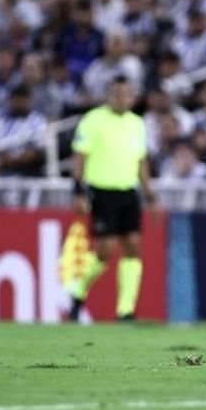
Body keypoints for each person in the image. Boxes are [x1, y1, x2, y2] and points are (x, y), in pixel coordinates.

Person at [67, 76, 158, 321]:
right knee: (104, 251)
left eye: (126, 93)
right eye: (117, 93)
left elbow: (141, 161)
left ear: (132, 97)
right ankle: (77, 291)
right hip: (101, 192)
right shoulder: (93, 120)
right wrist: (77, 190)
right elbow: (79, 158)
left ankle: (125, 310)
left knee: (133, 248)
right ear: (108, 95)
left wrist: (150, 194)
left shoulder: (136, 123)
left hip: (129, 192)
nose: (121, 98)